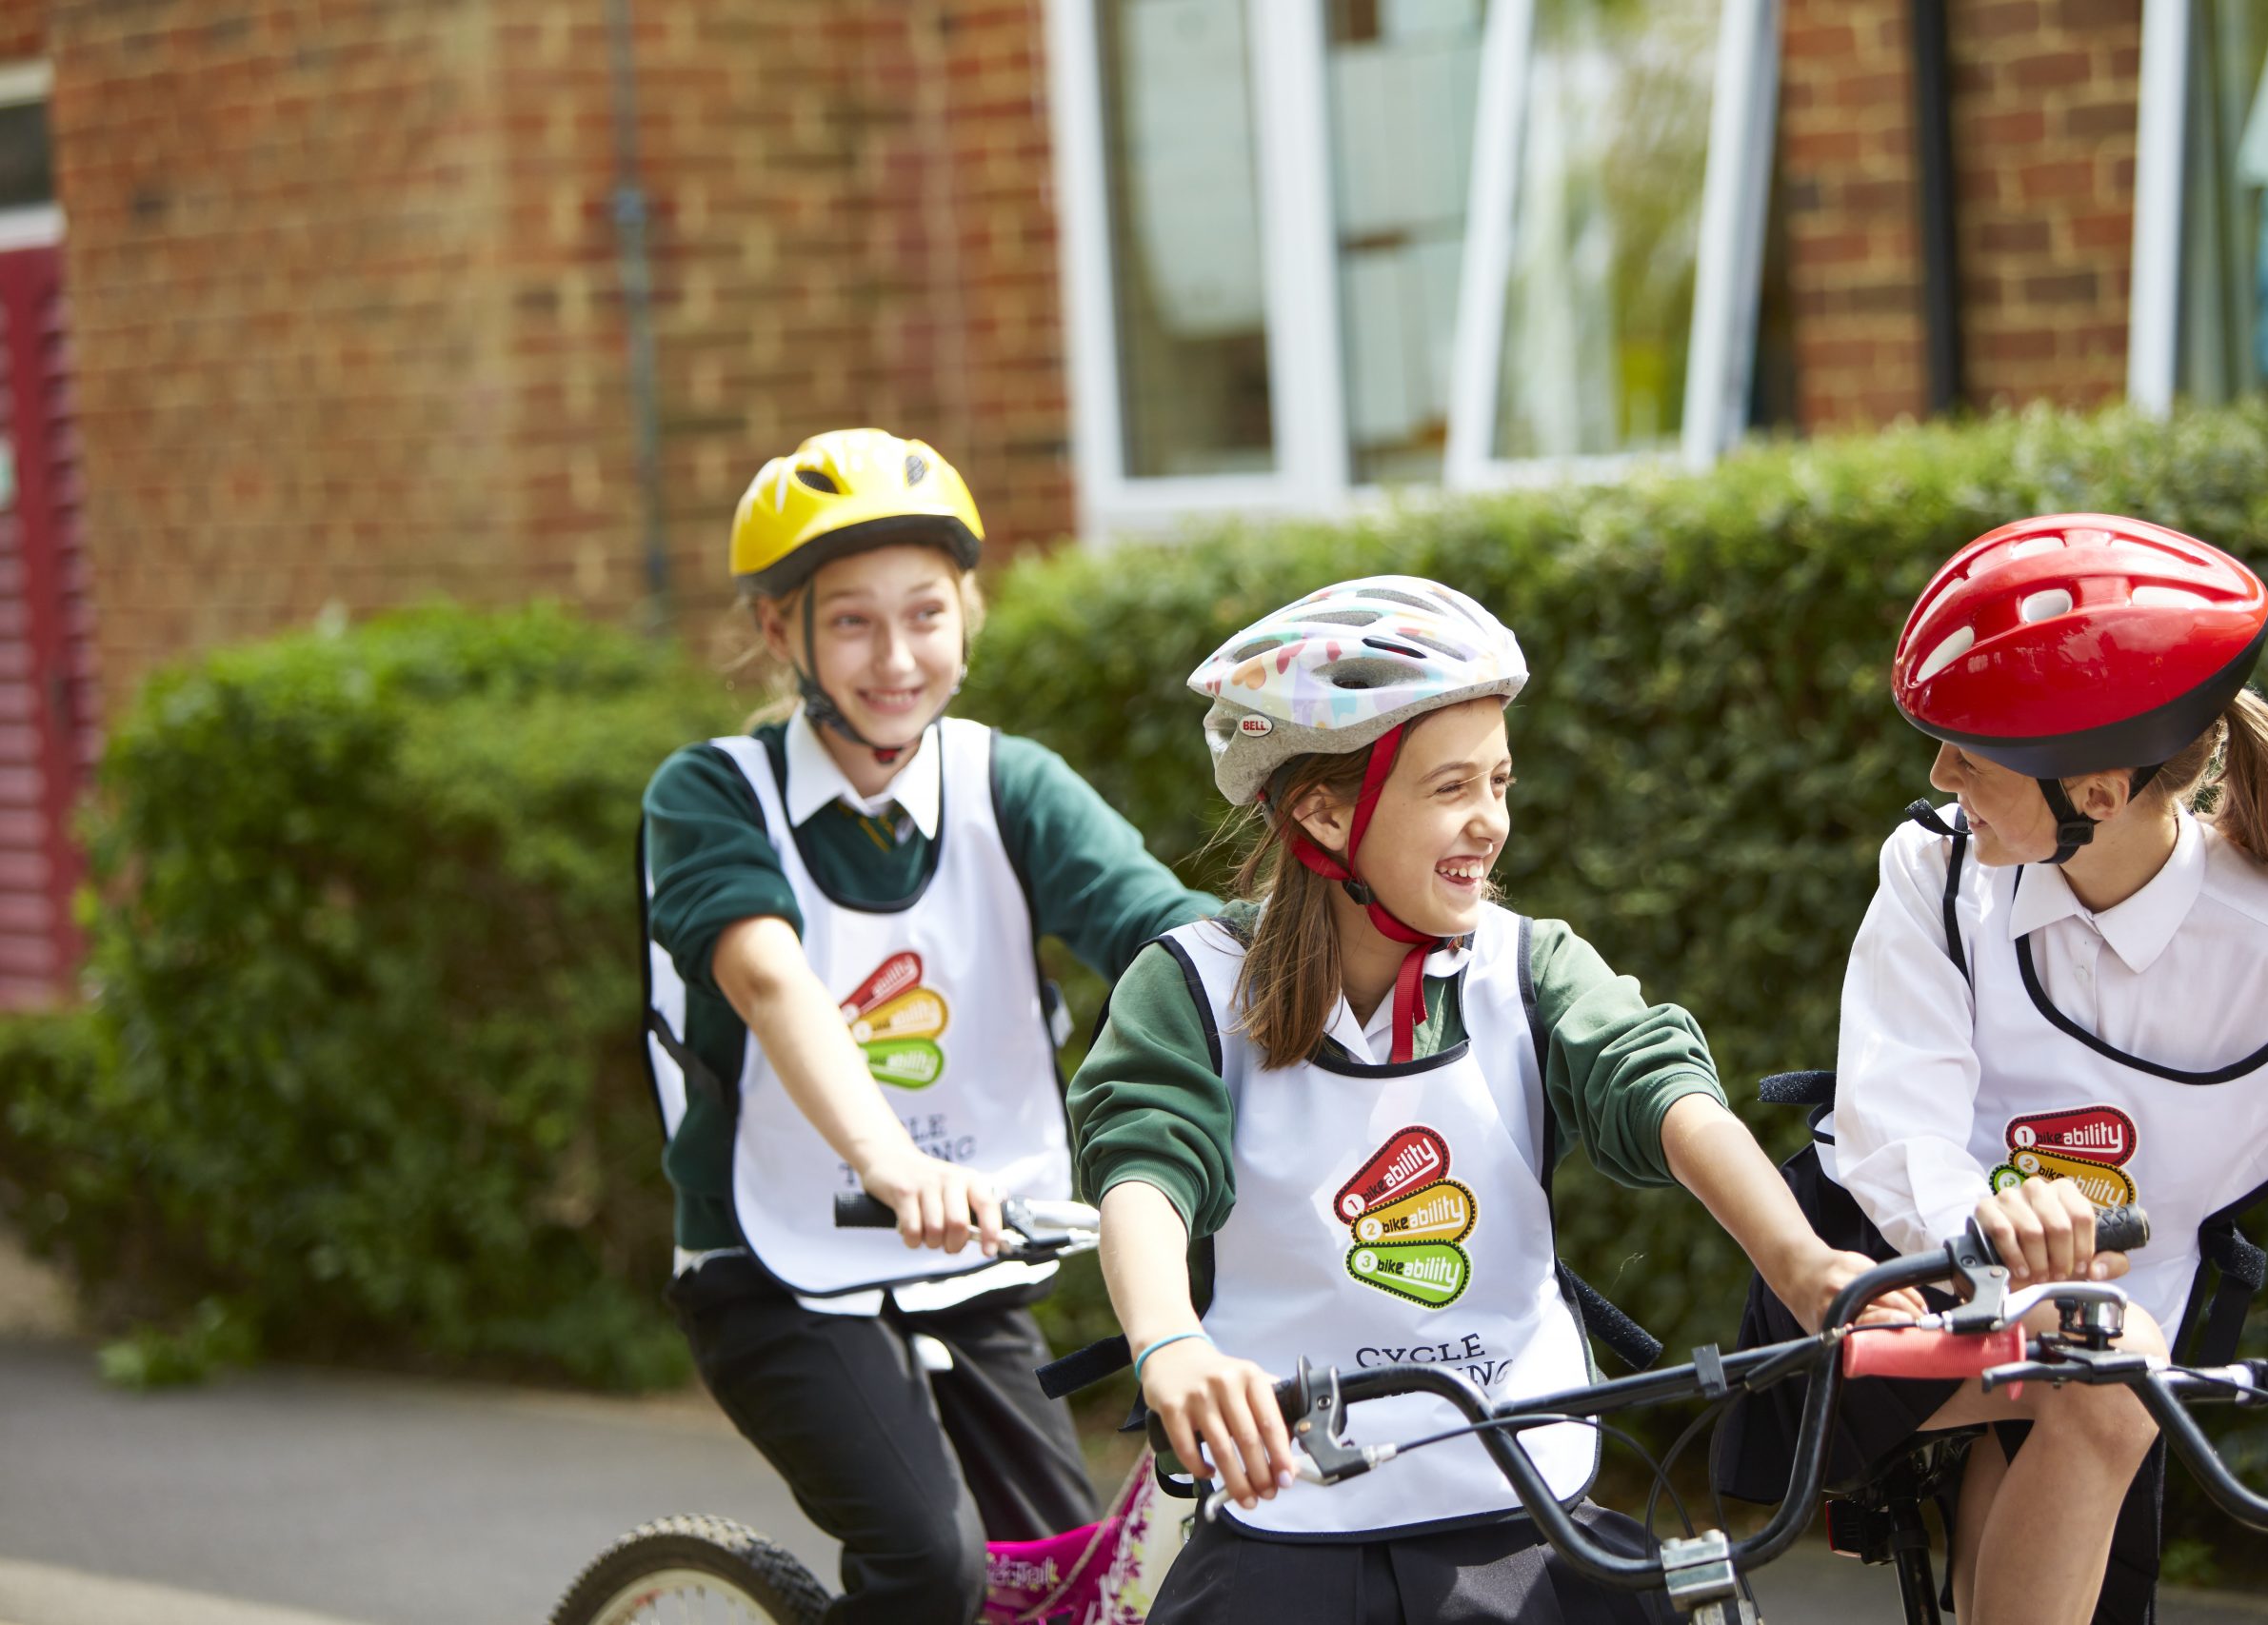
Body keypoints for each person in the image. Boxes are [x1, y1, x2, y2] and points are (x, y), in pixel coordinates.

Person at [1068, 575, 1920, 1625]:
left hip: (1519, 1494)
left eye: (1500, 783)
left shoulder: (1526, 966)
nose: (1491, 823)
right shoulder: (1193, 981)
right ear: (1324, 813)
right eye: (1449, 789)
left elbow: (1661, 1090)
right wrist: (1169, 1345)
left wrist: (1804, 1266)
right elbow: (1144, 1169)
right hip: (1287, 1504)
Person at [1718, 513, 2268, 1625]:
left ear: (2095, 794)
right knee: (2102, 1365)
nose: (1938, 771)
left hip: (2103, 1363)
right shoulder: (1934, 871)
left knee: (2099, 1378)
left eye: (1971, 751)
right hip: (1885, 1290)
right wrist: (1991, 1226)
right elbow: (1888, 1132)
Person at [640, 427, 1216, 1624]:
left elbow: (1169, 940)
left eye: (926, 613)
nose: (896, 656)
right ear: (777, 633)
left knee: (1073, 1585)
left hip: (967, 1257)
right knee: (930, 1567)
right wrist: (890, 1162)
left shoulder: (1012, 785)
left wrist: (1343, 974)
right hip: (775, 1264)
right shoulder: (708, 796)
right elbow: (770, 981)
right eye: (850, 620)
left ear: (969, 614)